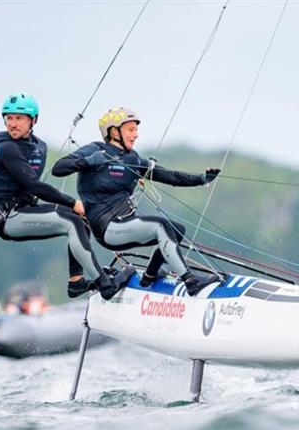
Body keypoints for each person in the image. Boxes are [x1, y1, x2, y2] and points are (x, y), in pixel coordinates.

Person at [51, 107, 220, 295]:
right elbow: (58, 168)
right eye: (130, 129)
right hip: (107, 228)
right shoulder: (95, 149)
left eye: (136, 130)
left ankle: (149, 276)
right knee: (161, 226)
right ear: (114, 131)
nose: (136, 135)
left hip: (126, 224)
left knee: (176, 229)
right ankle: (191, 281)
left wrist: (201, 179)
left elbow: (169, 176)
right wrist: (88, 161)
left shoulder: (133, 159)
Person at [0, 93, 134, 300]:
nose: (13, 123)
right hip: (8, 218)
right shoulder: (5, 146)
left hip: (25, 209)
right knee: (72, 221)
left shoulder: (40, 147)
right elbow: (34, 185)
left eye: (19, 118)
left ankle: (76, 282)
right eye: (9, 118)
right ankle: (104, 284)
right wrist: (73, 203)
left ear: (33, 120)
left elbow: (27, 186)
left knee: (81, 219)